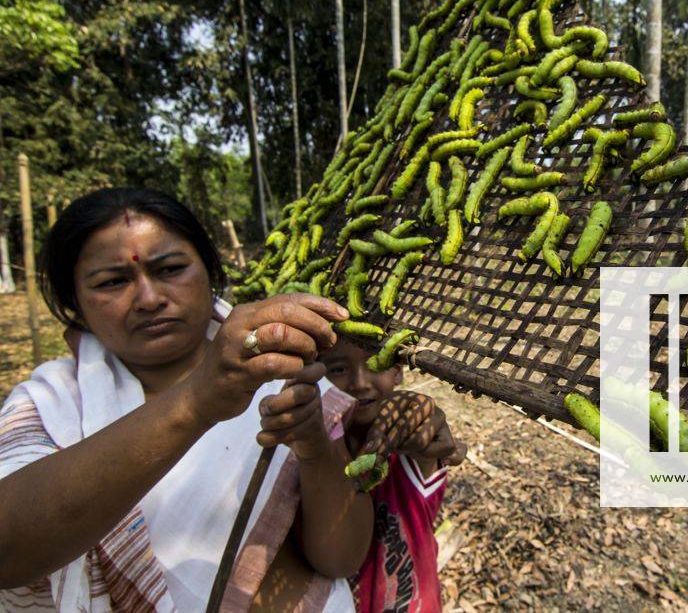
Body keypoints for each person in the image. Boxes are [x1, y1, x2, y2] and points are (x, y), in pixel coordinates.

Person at [0, 187, 453, 612]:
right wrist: (198, 400)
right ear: (75, 302)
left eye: (170, 269)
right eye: (113, 281)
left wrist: (314, 443)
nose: (149, 298)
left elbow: (341, 558)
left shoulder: (284, 365)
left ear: (209, 271)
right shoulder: (51, 406)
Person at [320, 337, 466, 612]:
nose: (360, 382)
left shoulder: (408, 450)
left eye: (376, 364)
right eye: (338, 369)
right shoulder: (317, 453)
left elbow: (428, 443)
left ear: (398, 371)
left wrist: (426, 423)